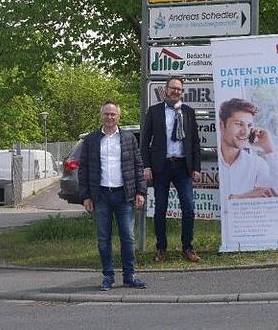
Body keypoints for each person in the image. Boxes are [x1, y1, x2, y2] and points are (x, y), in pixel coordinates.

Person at [80, 101, 148, 291]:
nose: (109, 117)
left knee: (128, 237)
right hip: (100, 195)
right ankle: (108, 276)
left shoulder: (128, 138)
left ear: (119, 116)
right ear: (101, 116)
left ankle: (129, 276)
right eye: (106, 114)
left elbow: (138, 165)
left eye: (113, 114)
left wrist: (141, 191)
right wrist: (85, 196)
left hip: (124, 195)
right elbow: (83, 169)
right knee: (103, 238)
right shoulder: (91, 140)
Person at [141, 77, 202, 263]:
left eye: (179, 89)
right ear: (165, 89)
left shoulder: (188, 112)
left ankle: (187, 247)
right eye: (173, 88)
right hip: (161, 166)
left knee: (189, 208)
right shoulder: (154, 111)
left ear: (182, 92)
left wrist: (196, 168)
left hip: (183, 166)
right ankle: (161, 248)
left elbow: (195, 142)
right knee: (160, 209)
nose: (176, 91)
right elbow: (145, 142)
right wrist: (146, 166)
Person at [218, 98, 278, 199]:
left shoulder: (256, 164)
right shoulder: (213, 159)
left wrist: (269, 149)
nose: (245, 132)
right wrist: (239, 198)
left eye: (249, 126)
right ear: (222, 125)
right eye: (239, 124)